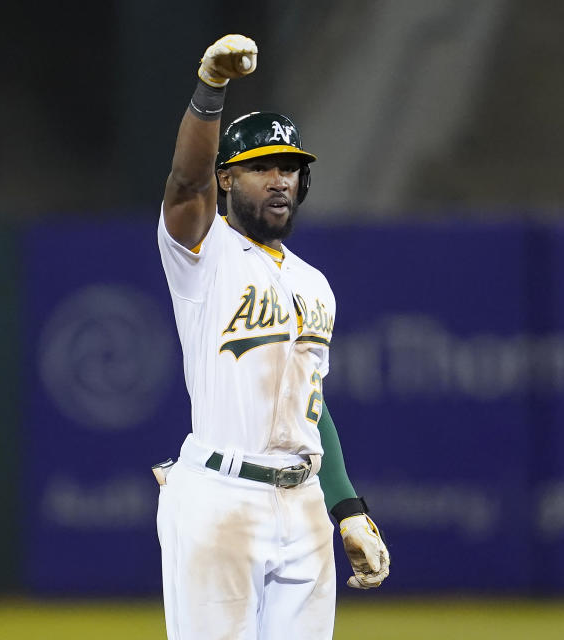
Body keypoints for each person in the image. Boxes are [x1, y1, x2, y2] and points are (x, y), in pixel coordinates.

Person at [154, 34, 390, 640]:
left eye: (289, 167)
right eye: (261, 167)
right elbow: (185, 181)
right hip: (220, 496)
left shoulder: (315, 284)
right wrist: (211, 89)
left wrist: (348, 509)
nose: (280, 179)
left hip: (304, 501)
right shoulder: (202, 252)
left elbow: (313, 407)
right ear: (228, 180)